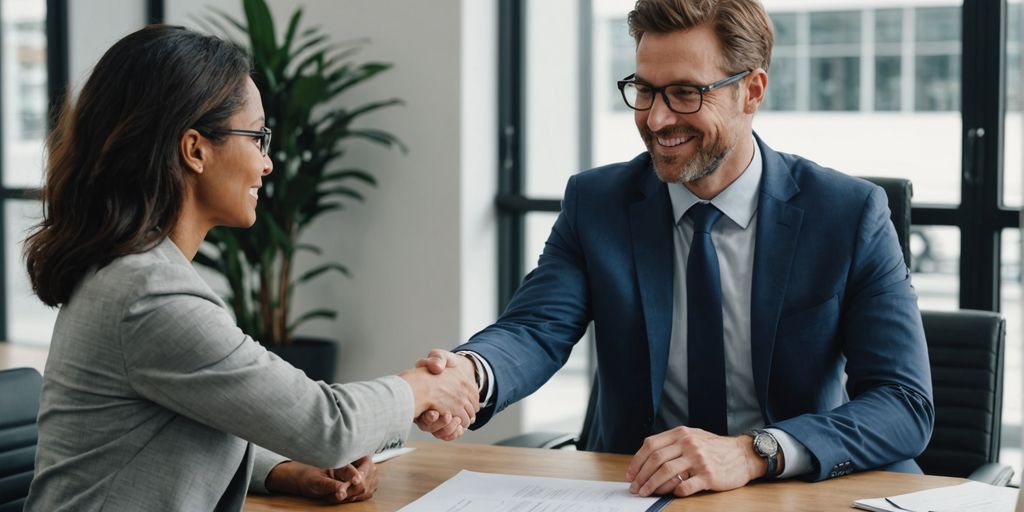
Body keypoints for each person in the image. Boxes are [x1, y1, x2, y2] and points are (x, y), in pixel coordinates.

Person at [416, 0, 934, 498]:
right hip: (636, 490)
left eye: (685, 93)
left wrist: (756, 452)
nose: (657, 119)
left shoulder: (847, 214)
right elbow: (535, 329)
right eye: (645, 90)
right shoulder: (597, 203)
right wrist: (468, 376)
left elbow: (902, 402)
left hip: (792, 490)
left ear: (751, 91)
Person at [22, 25, 478, 511]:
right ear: (194, 149)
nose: (268, 164)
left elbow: (181, 420)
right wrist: (429, 385)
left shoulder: (127, 271)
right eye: (257, 137)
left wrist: (283, 470)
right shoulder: (148, 295)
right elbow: (327, 424)